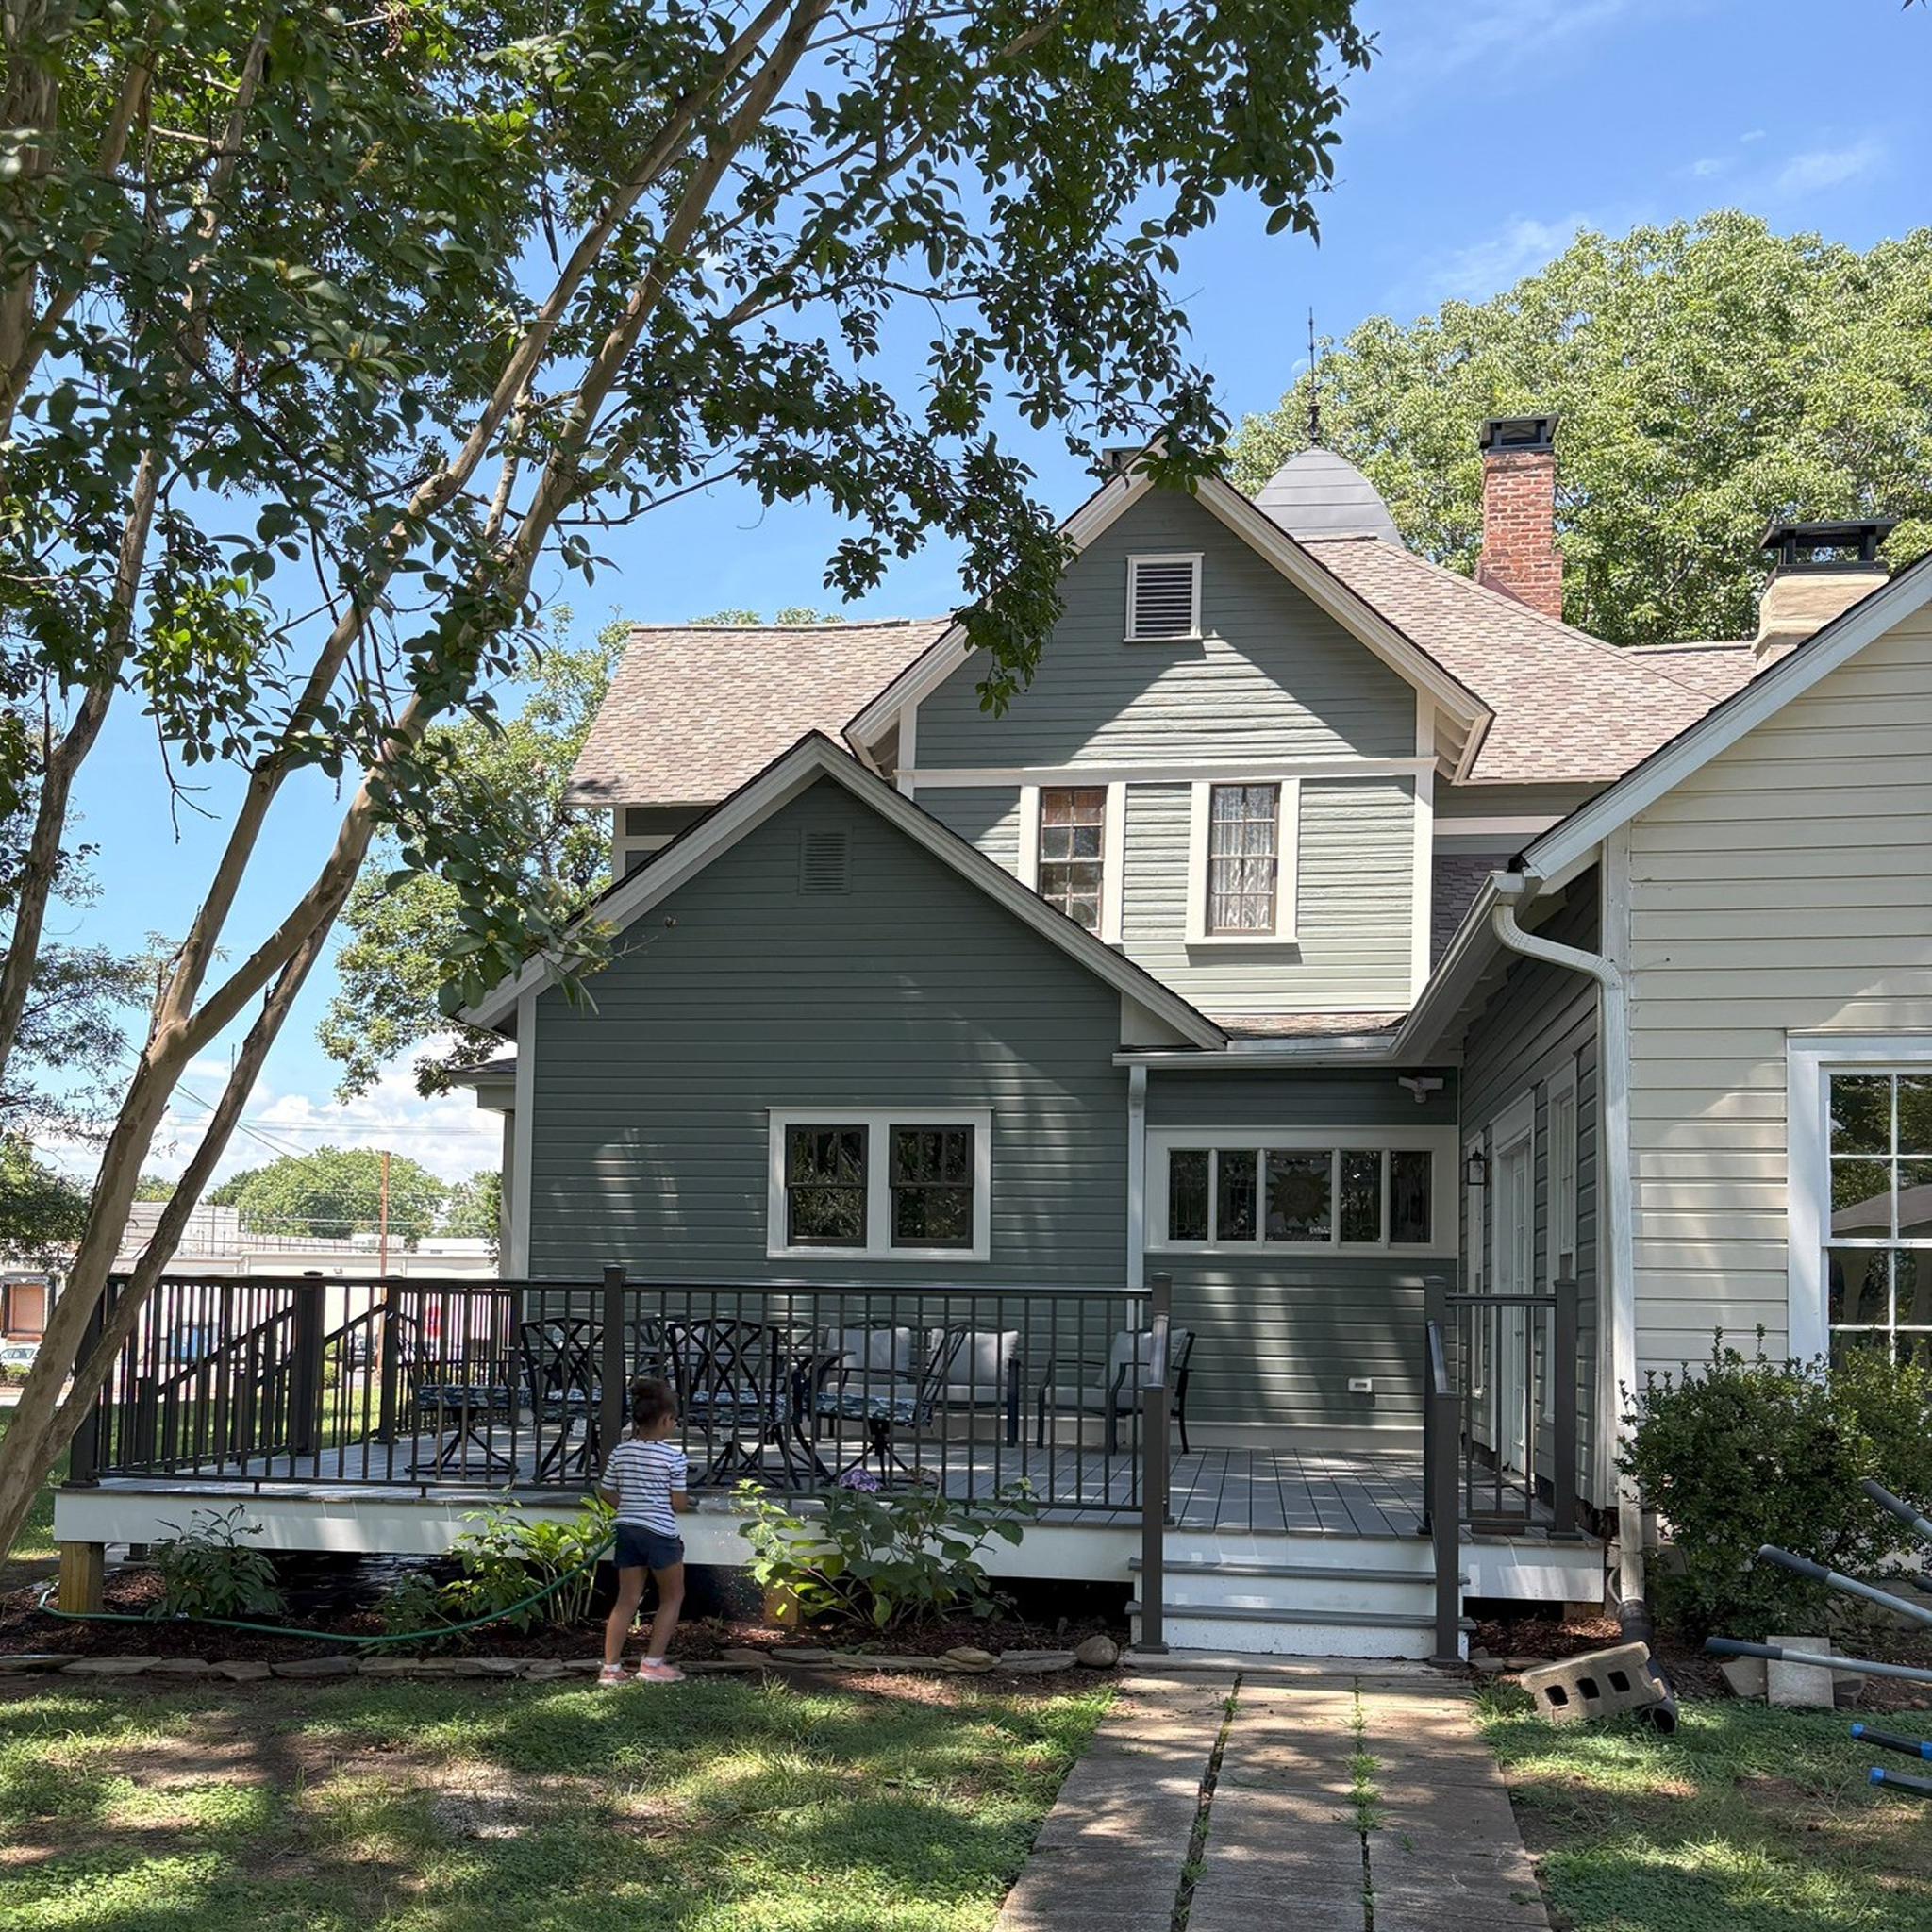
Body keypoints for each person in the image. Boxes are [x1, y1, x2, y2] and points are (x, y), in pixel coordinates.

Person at [597, 1375, 691, 1683]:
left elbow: (606, 1492)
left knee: (626, 1599)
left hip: (628, 1530)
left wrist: (630, 1506)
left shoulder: (621, 1453)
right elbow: (678, 1503)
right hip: (661, 1535)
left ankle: (610, 1669)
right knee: (672, 1596)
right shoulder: (673, 1458)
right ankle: (652, 1665)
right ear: (666, 1420)